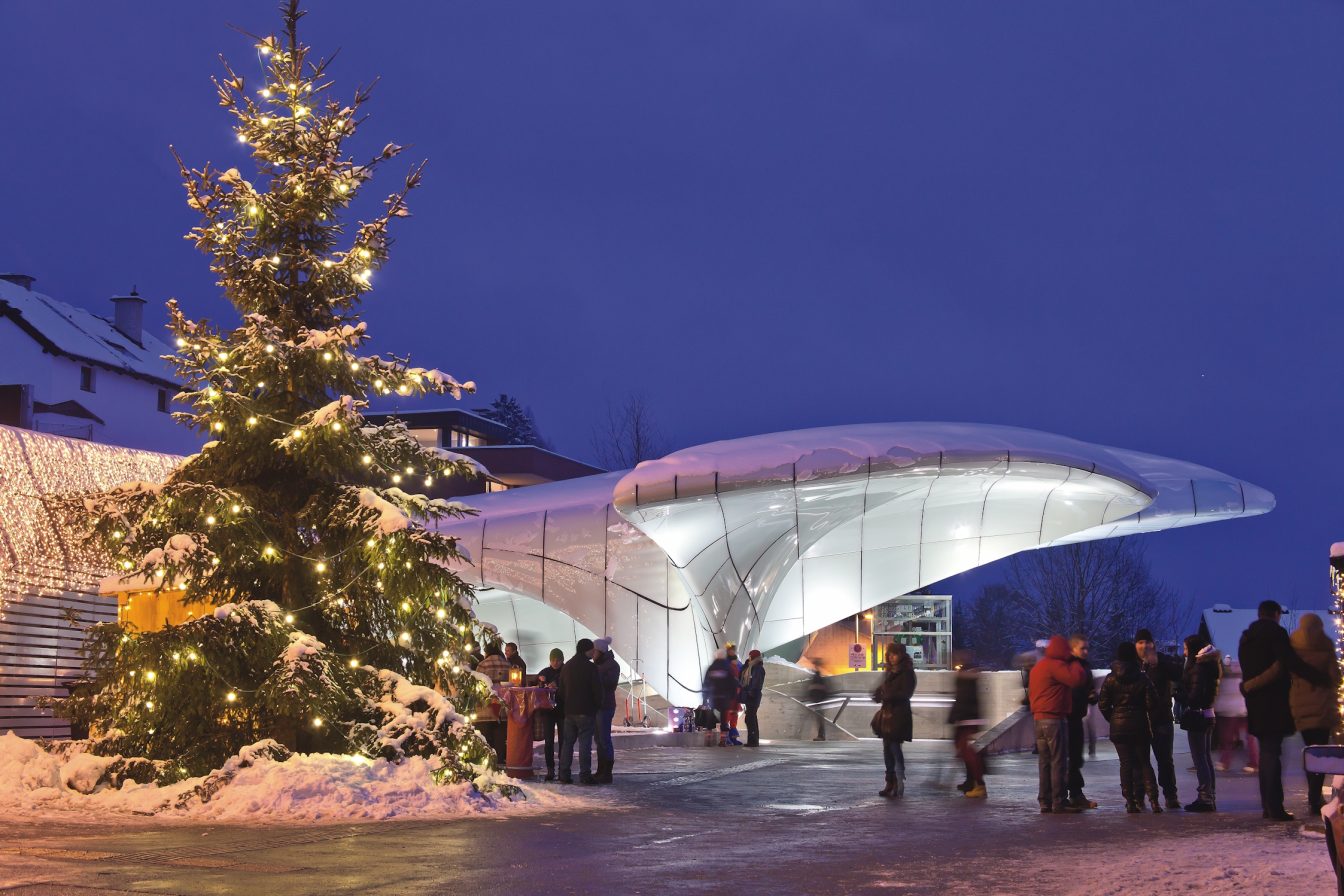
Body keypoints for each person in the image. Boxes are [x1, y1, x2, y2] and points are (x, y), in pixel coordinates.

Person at [1239, 600, 1326, 820]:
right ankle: (1275, 807)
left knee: (1265, 753)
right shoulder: (1276, 634)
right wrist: (1319, 678)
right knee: (1271, 754)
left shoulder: (1246, 637)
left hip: (1254, 703)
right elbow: (1290, 662)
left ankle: (1267, 806)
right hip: (1273, 704)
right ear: (1276, 614)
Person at [1028, 634, 1087, 814]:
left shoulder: (1039, 667)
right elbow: (1077, 679)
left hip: (1038, 719)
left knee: (1044, 761)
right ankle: (1058, 801)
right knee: (1058, 761)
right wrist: (1075, 661)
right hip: (1054, 719)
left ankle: (1044, 801)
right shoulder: (1056, 665)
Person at [1099, 642, 1160, 813]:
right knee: (1144, 762)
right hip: (1140, 724)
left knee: (1125, 764)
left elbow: (1103, 704)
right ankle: (1154, 800)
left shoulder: (1110, 678)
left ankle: (1130, 801)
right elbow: (1152, 702)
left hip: (1119, 726)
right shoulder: (1142, 677)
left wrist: (1113, 718)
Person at [1290, 612, 1341, 816]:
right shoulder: (1325, 644)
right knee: (1319, 753)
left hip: (1301, 707)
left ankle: (1313, 791)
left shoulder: (1293, 644)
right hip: (1322, 707)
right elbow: (1335, 677)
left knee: (1309, 751)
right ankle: (1314, 795)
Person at [1135, 628, 1183, 810]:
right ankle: (1140, 797)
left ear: (1153, 644)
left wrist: (1159, 663)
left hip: (1161, 718)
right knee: (1139, 762)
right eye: (1140, 642)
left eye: (1147, 642)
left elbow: (1179, 673)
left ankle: (1171, 796)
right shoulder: (1132, 663)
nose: (1144, 645)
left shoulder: (1161, 660)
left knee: (1165, 760)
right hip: (1139, 720)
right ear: (1135, 645)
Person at [1178, 632, 1222, 812]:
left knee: (1200, 759)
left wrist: (1180, 695)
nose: (1184, 653)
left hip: (1198, 716)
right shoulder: (1211, 665)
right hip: (1208, 714)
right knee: (1206, 758)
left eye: (1186, 649)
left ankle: (1205, 798)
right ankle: (1210, 795)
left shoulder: (1198, 668)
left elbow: (1194, 696)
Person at [873, 642, 916, 798]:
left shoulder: (907, 672)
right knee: (887, 749)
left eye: (895, 654)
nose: (891, 657)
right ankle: (890, 781)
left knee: (894, 747)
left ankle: (898, 777)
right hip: (887, 715)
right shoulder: (889, 672)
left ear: (901, 655)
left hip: (899, 715)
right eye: (889, 654)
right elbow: (881, 689)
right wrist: (878, 695)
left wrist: (887, 695)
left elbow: (906, 693)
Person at [557, 638, 601, 785]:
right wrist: (597, 705)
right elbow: (597, 690)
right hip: (586, 711)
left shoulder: (567, 666)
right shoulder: (591, 668)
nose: (594, 652)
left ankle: (563, 774)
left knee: (567, 744)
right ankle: (585, 775)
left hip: (569, 711)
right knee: (584, 744)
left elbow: (561, 690)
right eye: (592, 650)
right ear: (586, 650)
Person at [947, 649, 986, 798]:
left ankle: (978, 783)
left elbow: (962, 700)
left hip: (967, 718)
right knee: (964, 750)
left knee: (967, 751)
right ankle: (972, 781)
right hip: (968, 717)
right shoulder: (968, 676)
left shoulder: (965, 678)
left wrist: (954, 716)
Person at [1066, 634, 1097, 809]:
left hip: (1076, 716)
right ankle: (1075, 794)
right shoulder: (1070, 666)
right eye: (1082, 648)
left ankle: (1074, 793)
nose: (1085, 651)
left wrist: (1091, 695)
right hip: (1069, 717)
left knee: (1075, 757)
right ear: (1072, 649)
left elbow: (1088, 688)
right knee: (1072, 758)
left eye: (1087, 648)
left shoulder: (1085, 667)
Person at [1214, 654, 1257, 773]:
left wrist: (1217, 706)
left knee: (1227, 739)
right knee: (1249, 738)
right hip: (1243, 709)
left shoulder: (1223, 677)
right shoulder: (1244, 674)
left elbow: (1222, 694)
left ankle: (1224, 762)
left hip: (1229, 712)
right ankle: (1254, 763)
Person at [473, 640, 511, 762]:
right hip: (502, 707)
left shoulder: (483, 665)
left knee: (485, 736)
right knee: (500, 735)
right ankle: (499, 759)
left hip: (485, 707)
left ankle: (487, 760)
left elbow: (477, 684)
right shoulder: (507, 664)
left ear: (487, 651)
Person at [592, 637, 620, 785]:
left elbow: (611, 684)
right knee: (598, 739)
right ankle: (600, 769)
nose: (592, 653)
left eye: (594, 651)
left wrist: (596, 675)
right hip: (598, 706)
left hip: (605, 706)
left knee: (604, 739)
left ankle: (607, 772)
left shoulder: (612, 665)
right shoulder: (598, 664)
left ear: (600, 651)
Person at [535, 648, 564, 780]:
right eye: (553, 660)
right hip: (548, 711)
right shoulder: (545, 672)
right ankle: (550, 769)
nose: (555, 662)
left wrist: (558, 685)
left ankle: (563, 767)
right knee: (549, 741)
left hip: (563, 709)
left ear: (562, 660)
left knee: (564, 740)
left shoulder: (566, 671)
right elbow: (536, 686)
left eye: (558, 660)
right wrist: (542, 682)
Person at [703, 649, 737, 746]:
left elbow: (706, 684)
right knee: (724, 719)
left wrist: (705, 698)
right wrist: (732, 697)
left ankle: (708, 738)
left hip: (713, 696)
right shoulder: (728, 668)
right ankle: (723, 740)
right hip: (724, 698)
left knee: (710, 718)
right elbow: (733, 684)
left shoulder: (711, 668)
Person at [740, 649, 766, 747]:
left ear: (753, 657)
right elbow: (742, 673)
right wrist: (746, 664)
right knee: (751, 718)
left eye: (750, 657)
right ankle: (753, 740)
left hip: (753, 696)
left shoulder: (758, 669)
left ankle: (753, 741)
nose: (748, 658)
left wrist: (751, 692)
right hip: (751, 696)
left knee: (750, 718)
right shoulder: (753, 667)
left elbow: (756, 683)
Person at [724, 643, 744, 745]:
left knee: (734, 714)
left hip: (736, 692)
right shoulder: (724, 663)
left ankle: (733, 737)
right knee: (727, 714)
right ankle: (726, 737)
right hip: (728, 692)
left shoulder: (738, 663)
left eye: (733, 650)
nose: (732, 651)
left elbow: (742, 674)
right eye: (730, 650)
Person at [807, 660, 829, 741]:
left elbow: (822, 687)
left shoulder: (817, 676)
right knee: (819, 719)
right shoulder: (817, 676)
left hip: (818, 699)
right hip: (818, 699)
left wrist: (813, 687)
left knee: (819, 719)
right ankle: (821, 735)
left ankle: (821, 735)